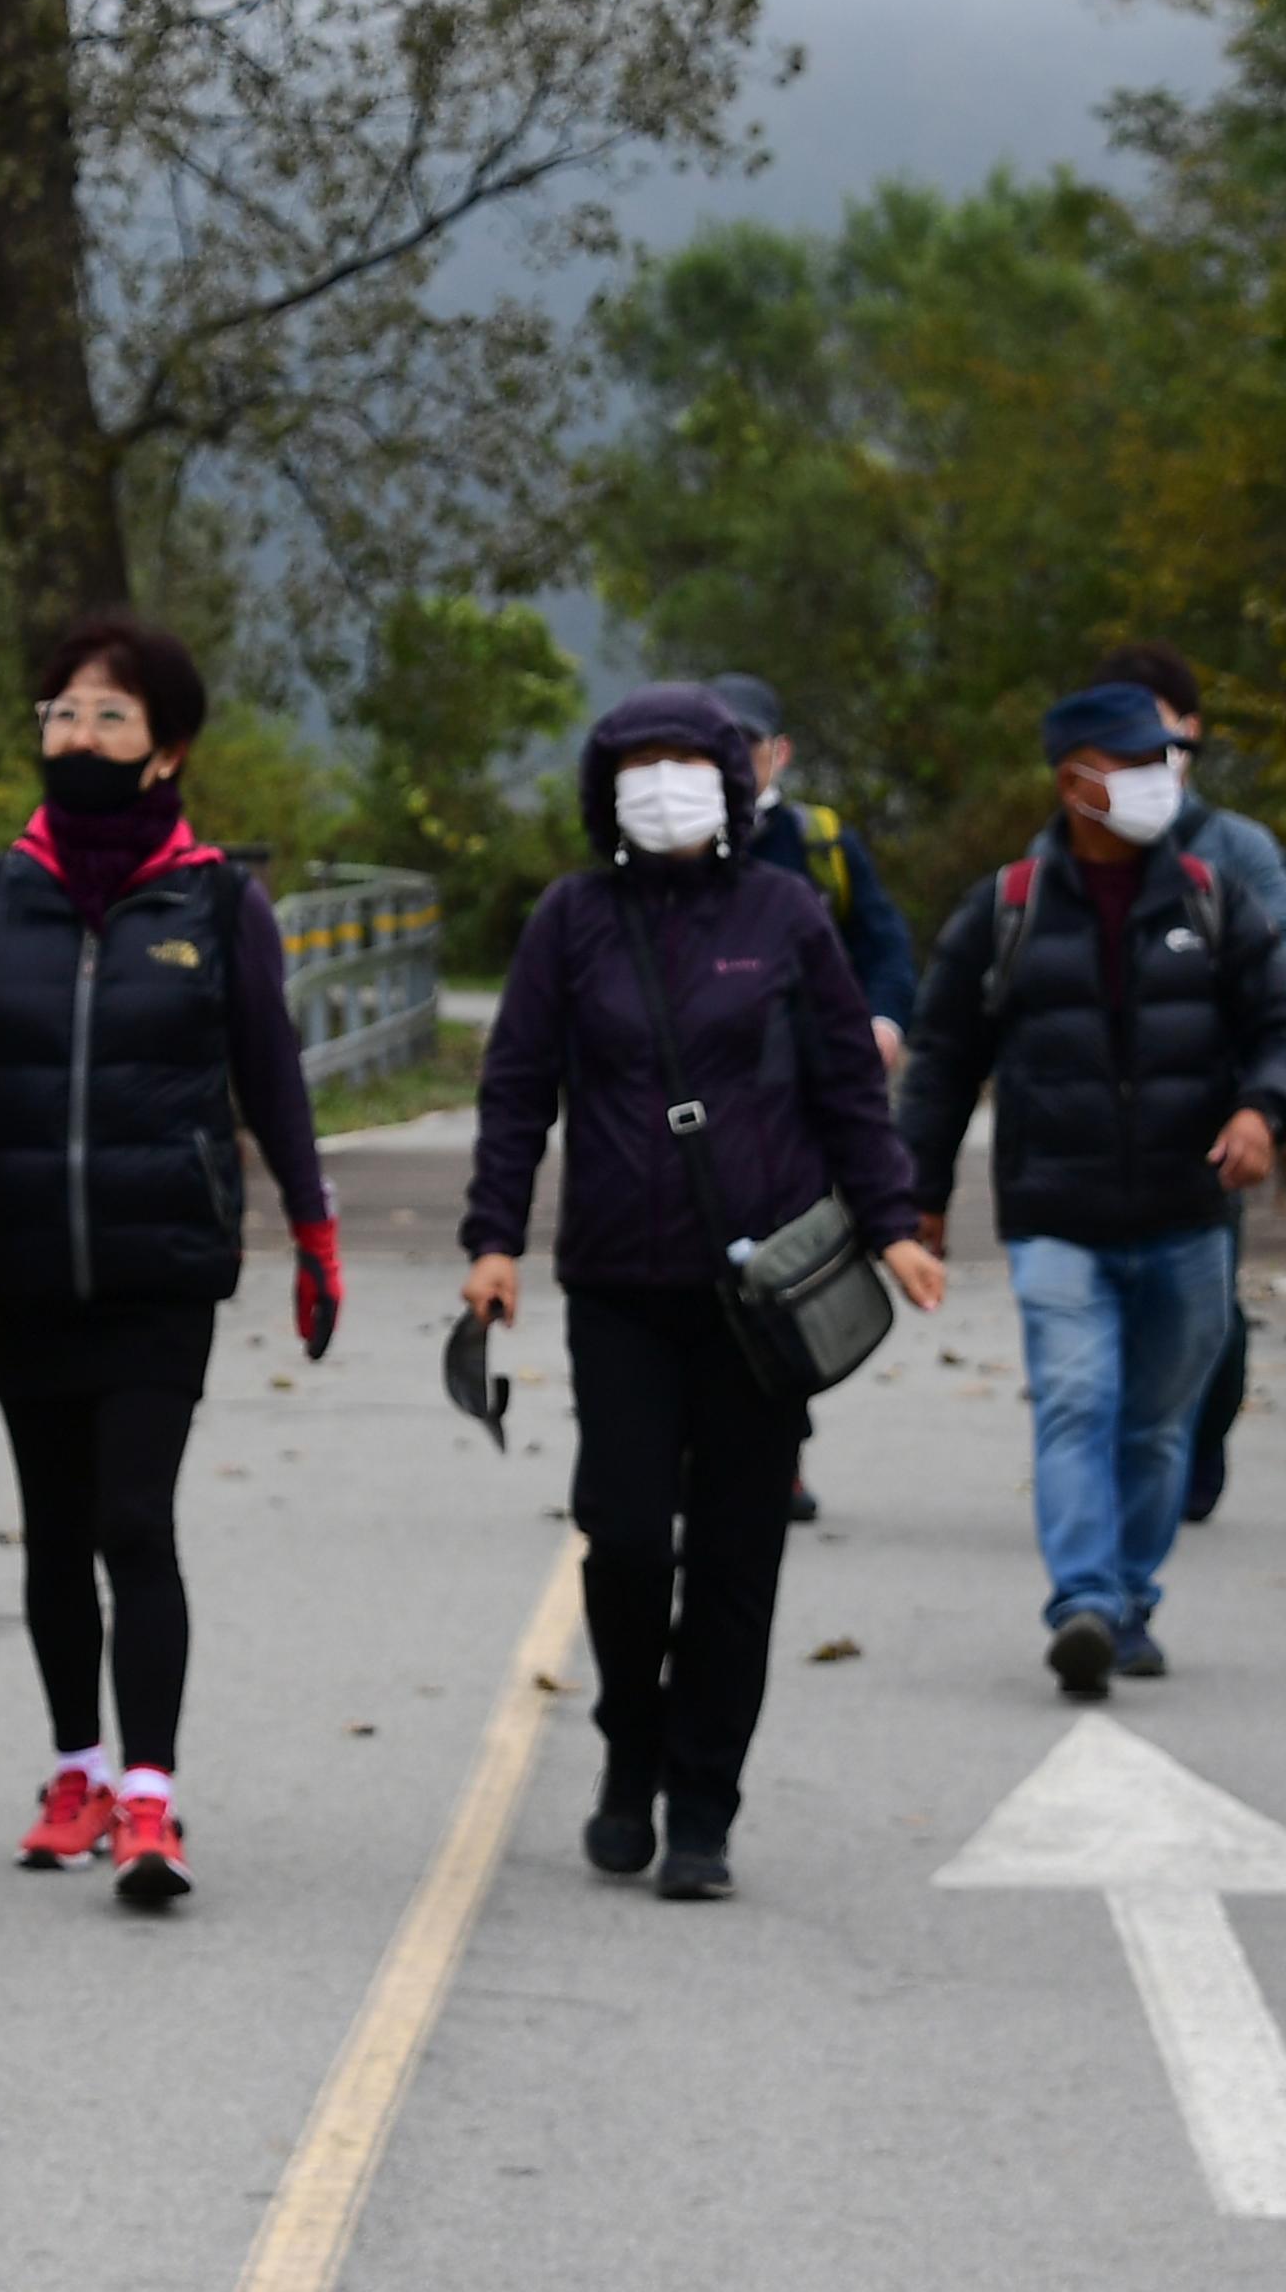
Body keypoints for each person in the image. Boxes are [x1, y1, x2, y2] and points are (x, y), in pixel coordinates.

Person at [0, 613, 338, 1909]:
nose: (76, 735)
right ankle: (73, 1771)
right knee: (55, 1531)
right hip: (22, 1256)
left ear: (167, 749)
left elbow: (271, 1077)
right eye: (61, 714)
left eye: (107, 717)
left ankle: (149, 1798)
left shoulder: (218, 900)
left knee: (135, 1520)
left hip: (158, 1263)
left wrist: (313, 1228)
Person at [461, 684, 944, 1902]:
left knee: (736, 1557)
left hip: (761, 1293)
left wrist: (893, 1224)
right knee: (623, 1536)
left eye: (689, 760)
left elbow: (846, 1081)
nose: (665, 781)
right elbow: (518, 1086)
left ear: (731, 781)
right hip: (619, 1282)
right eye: (642, 762)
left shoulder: (784, 913)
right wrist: (493, 1237)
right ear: (605, 788)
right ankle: (631, 1749)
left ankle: (703, 1805)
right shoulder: (569, 919)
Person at [897, 681, 1286, 1701]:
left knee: (1157, 1422)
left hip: (1189, 1211)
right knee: (1078, 1399)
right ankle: (1083, 1600)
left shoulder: (1217, 900)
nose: (1155, 781)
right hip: (1058, 1212)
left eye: (1162, 762)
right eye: (1130, 764)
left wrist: (1264, 1111)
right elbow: (944, 1057)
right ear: (1073, 781)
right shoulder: (1006, 906)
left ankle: (1129, 1594)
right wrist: (915, 1193)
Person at [1092, 643, 1286, 1530]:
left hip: (1205, 1121)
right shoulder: (1071, 844)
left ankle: (1200, 1433)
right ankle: (1116, 1473)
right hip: (1095, 1128)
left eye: (1160, 724)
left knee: (1204, 1316)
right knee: (1093, 1315)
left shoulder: (1237, 848)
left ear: (1193, 733)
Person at [706, 670, 921, 1527]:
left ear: (778, 752)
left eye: (746, 746)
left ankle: (778, 1453)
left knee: (789, 1273)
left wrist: (882, 1019)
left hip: (802, 1106)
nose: (731, 764)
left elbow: (886, 945)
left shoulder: (821, 843)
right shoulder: (654, 849)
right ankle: (695, 1445)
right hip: (702, 1104)